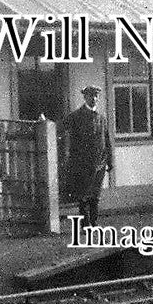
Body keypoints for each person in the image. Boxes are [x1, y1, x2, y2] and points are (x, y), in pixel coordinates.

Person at [60, 85, 113, 226]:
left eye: (96, 96)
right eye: (90, 96)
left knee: (95, 195)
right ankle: (85, 224)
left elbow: (107, 141)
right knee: (83, 195)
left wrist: (110, 162)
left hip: (100, 164)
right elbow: (61, 127)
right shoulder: (76, 116)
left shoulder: (101, 118)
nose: (94, 99)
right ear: (85, 97)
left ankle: (94, 223)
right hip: (83, 163)